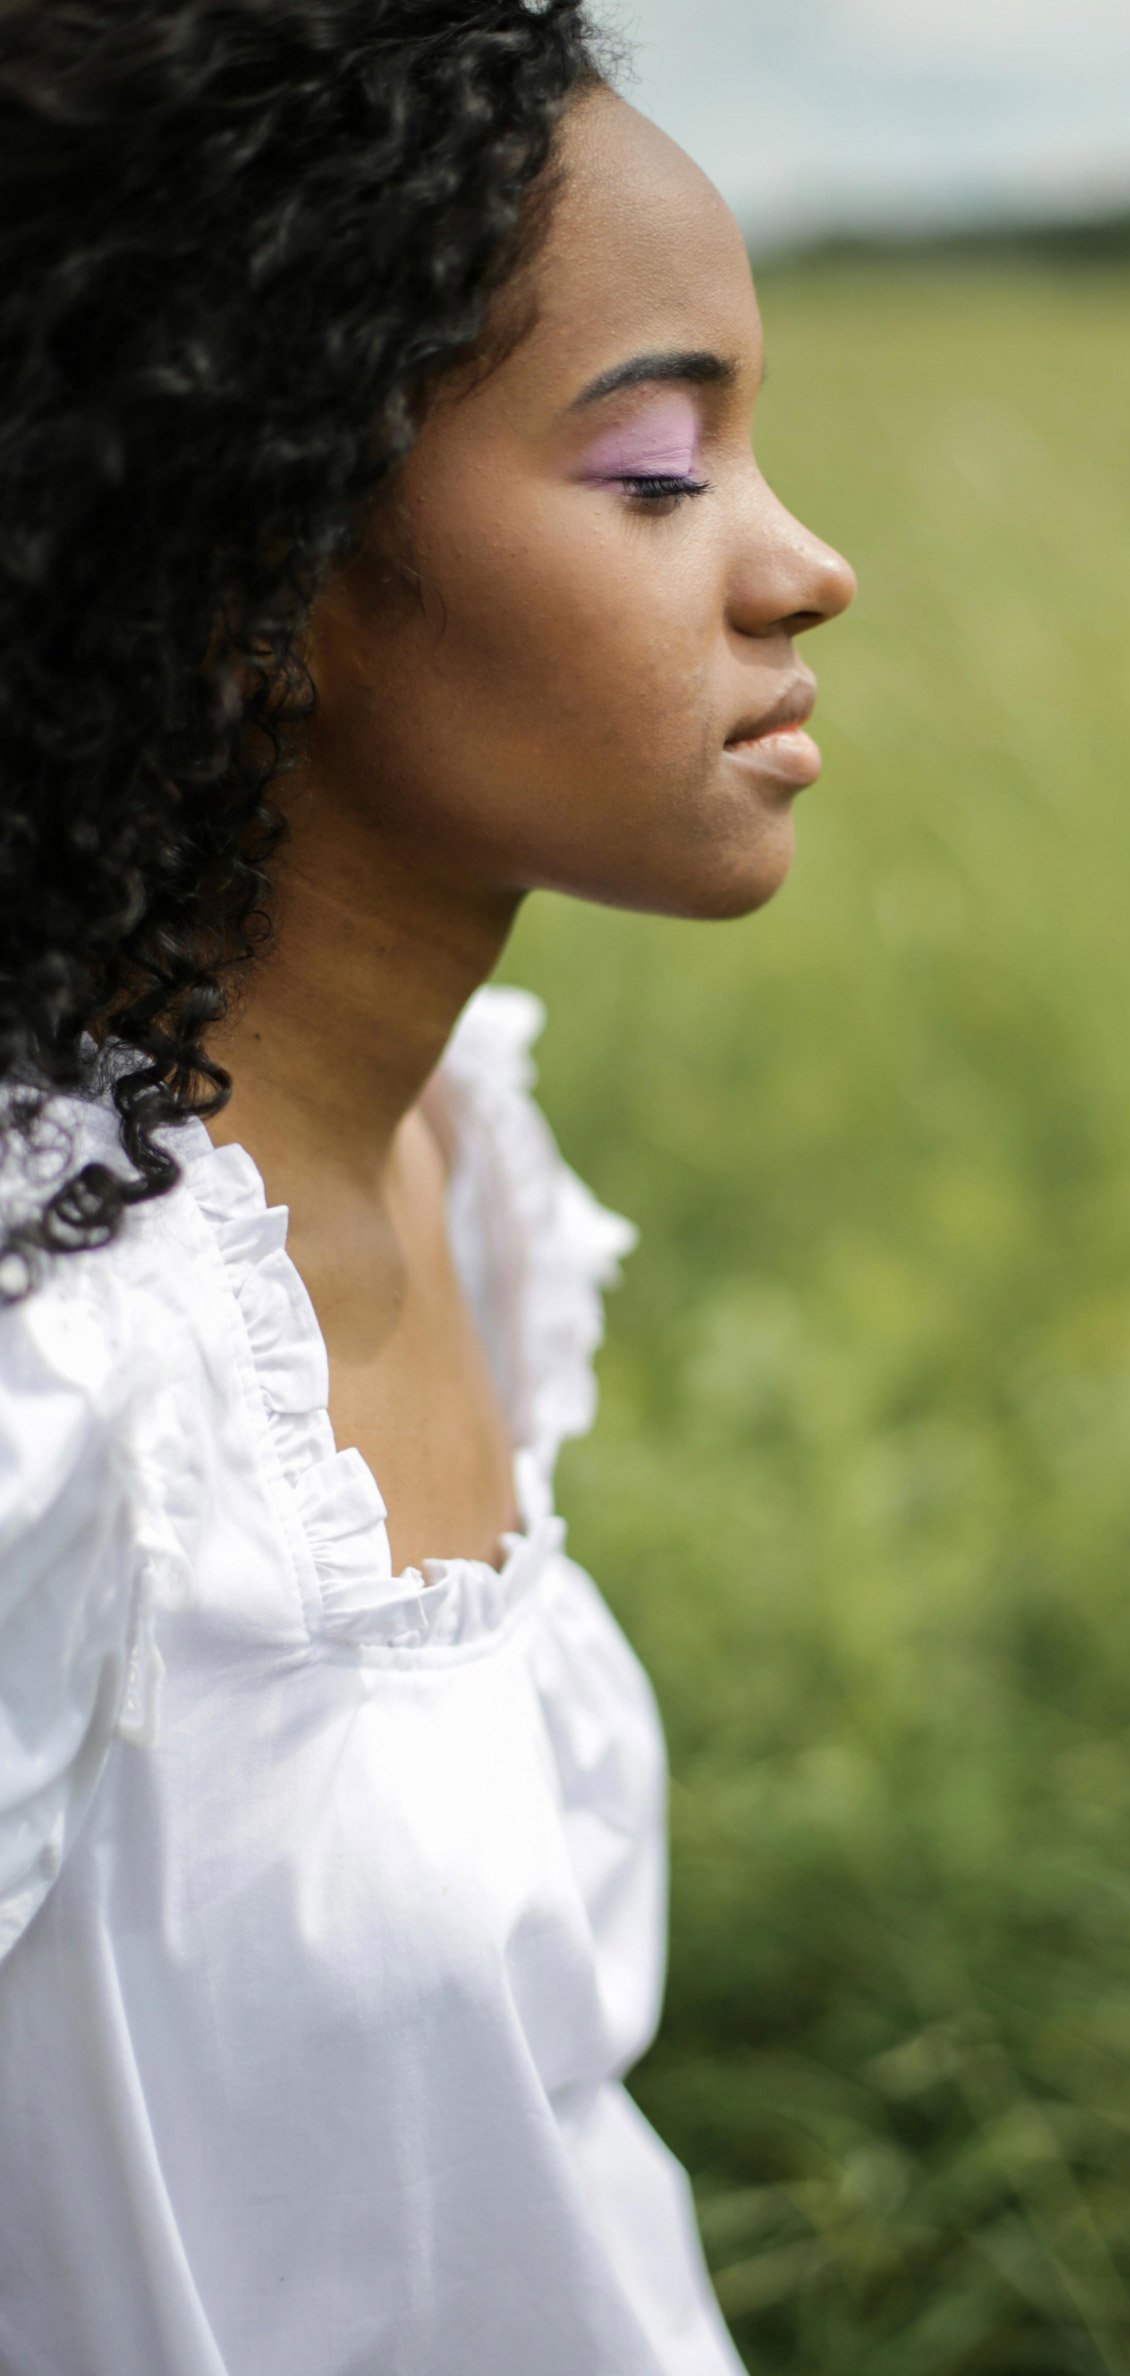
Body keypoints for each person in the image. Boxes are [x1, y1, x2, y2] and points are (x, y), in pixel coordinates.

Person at [0, 2, 856, 2368]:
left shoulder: (460, 1151)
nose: (806, 567)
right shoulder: (59, 1366)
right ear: (250, 551)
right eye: (659, 466)